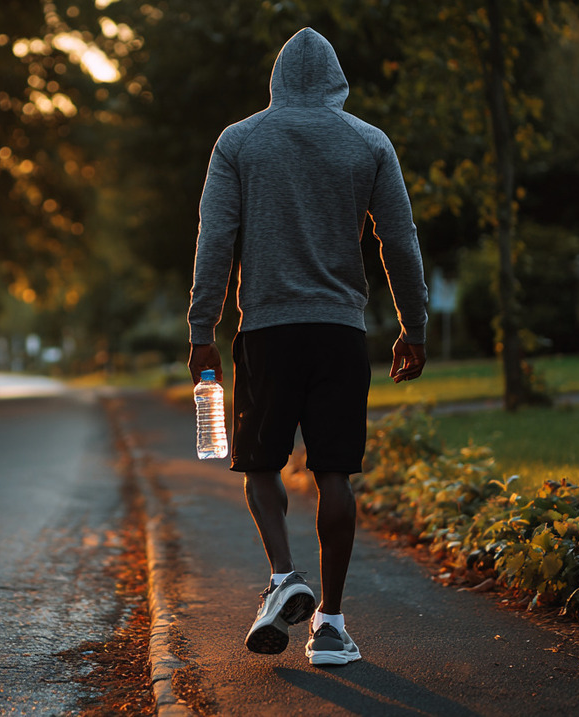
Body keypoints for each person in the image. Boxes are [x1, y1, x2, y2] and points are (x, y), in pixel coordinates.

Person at [186, 28, 428, 666]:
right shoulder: (369, 142)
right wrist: (415, 325)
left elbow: (216, 240)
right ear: (337, 81)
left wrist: (200, 330)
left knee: (260, 464)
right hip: (340, 332)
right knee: (334, 472)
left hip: (266, 331)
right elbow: (399, 241)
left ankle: (284, 577)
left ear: (276, 80)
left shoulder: (238, 142)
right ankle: (331, 627)